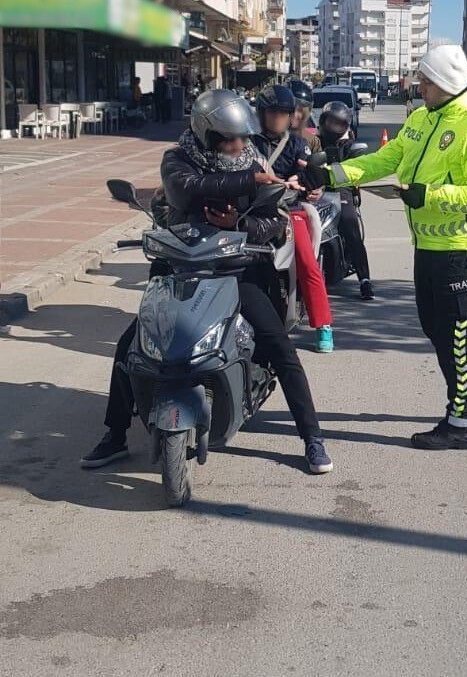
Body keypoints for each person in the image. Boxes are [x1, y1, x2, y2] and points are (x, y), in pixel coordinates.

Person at [80, 90, 334, 475]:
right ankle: (115, 434)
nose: (237, 145)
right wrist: (246, 180)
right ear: (205, 133)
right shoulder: (179, 160)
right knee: (131, 346)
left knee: (280, 348)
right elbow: (188, 190)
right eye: (228, 138)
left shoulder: (254, 162)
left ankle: (312, 438)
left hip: (235, 271)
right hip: (179, 269)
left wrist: (239, 224)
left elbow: (275, 221)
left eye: (241, 137)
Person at [305, 44, 467, 450]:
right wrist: (331, 175)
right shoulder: (420, 118)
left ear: (446, 83)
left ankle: (460, 424)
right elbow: (385, 159)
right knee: (436, 330)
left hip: (462, 252)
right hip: (428, 247)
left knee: (457, 339)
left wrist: (427, 195)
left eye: (426, 81)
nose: (419, 86)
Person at [254, 83, 335, 353]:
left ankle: (323, 324)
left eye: (282, 113)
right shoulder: (247, 143)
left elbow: (311, 172)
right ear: (261, 113)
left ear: (290, 116)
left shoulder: (298, 145)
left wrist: (306, 182)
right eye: (272, 112)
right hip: (251, 211)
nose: (277, 117)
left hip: (288, 211)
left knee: (307, 262)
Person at [318, 101, 374, 300]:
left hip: (341, 192)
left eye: (338, 123)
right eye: (330, 121)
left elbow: (351, 174)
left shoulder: (349, 145)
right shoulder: (314, 140)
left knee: (351, 227)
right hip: (314, 191)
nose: (333, 126)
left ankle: (364, 280)